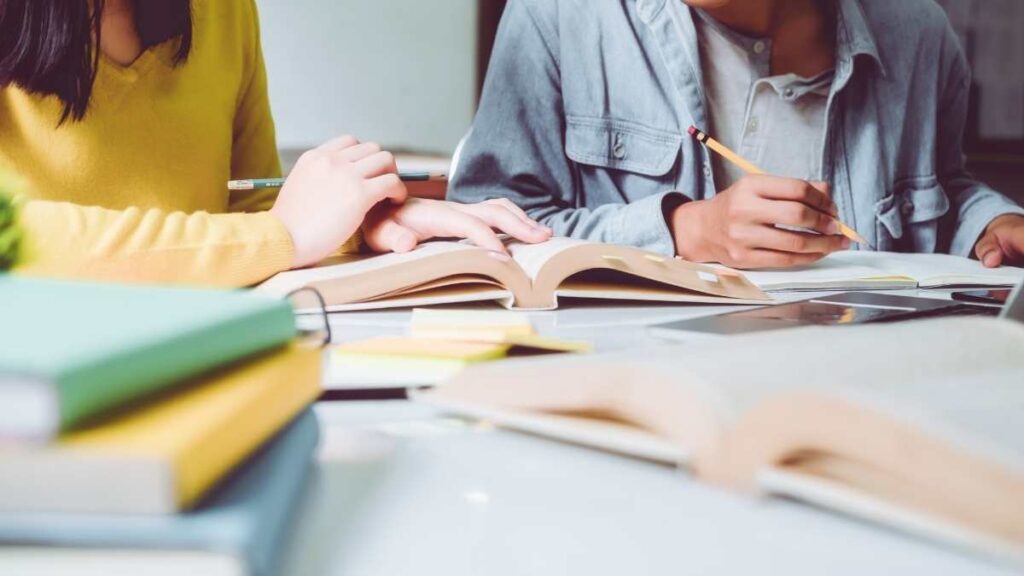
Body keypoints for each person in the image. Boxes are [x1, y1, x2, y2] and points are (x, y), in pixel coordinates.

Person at [0, 0, 551, 288]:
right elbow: (14, 244)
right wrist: (281, 235)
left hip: (199, 369)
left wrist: (360, 226)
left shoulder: (223, 11)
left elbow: (252, 213)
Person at [449, 0, 1024, 269]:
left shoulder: (918, 31)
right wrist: (684, 231)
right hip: (641, 393)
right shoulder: (559, 17)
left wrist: (987, 224)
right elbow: (478, 228)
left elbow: (942, 187)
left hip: (865, 397)